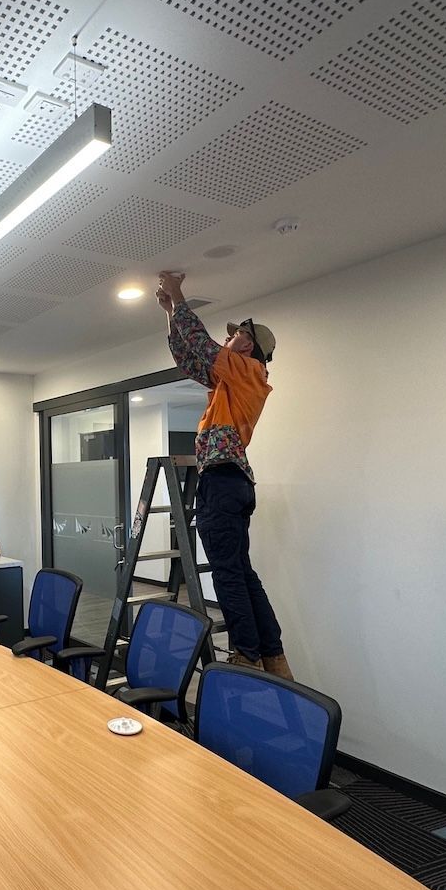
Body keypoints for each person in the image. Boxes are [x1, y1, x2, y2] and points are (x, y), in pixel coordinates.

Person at [155, 270, 293, 680]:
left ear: (246, 343)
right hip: (233, 483)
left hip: (223, 481)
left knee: (228, 573)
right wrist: (170, 313)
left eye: (233, 336)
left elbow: (200, 343)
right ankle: (271, 655)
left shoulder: (246, 372)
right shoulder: (233, 381)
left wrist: (179, 294)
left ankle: (246, 655)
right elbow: (188, 357)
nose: (227, 339)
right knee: (242, 572)